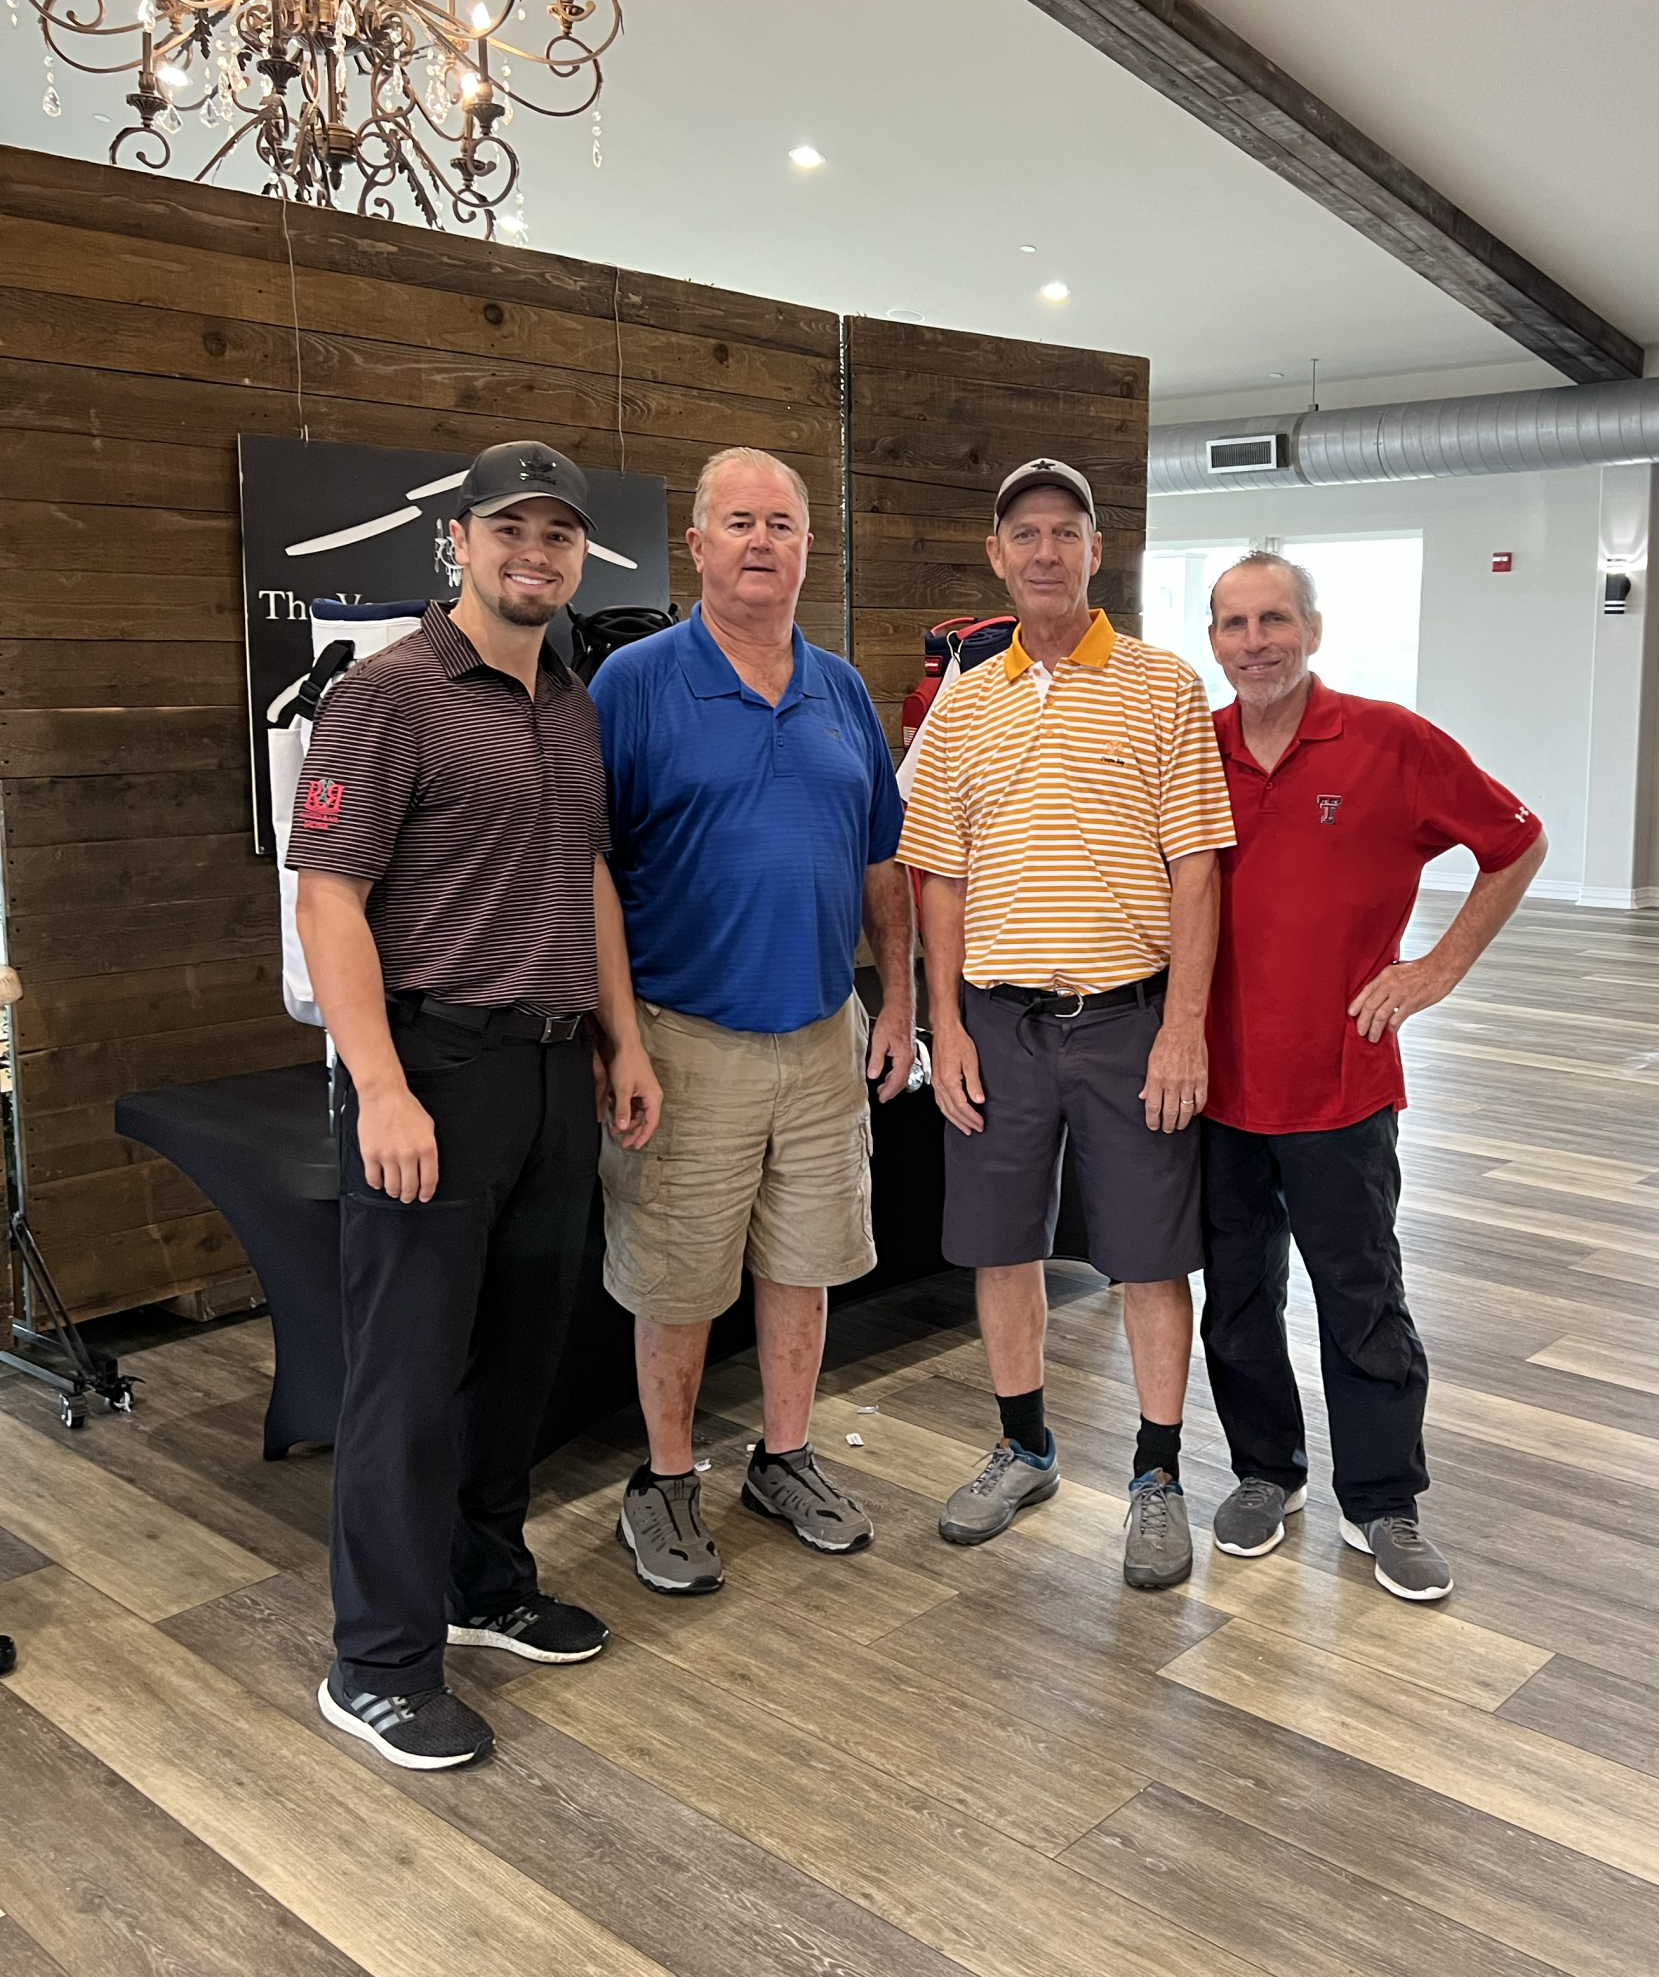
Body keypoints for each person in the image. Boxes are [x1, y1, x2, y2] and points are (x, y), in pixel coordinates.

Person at [291, 441, 661, 1770]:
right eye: (511, 530)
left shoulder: (570, 699)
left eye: (557, 535)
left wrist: (622, 1040)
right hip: (434, 1073)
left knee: (518, 1360)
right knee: (407, 1377)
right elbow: (327, 898)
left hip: (553, 1078)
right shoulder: (386, 697)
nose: (534, 554)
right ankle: (377, 1663)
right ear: (458, 540)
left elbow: (590, 877)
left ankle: (484, 1584)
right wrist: (380, 1084)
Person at [900, 457, 1236, 1591]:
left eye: (1065, 532)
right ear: (996, 555)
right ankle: (1025, 1447)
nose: (1045, 551)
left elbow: (1197, 869)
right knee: (1001, 1244)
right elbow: (939, 877)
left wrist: (1183, 1027)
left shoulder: (1163, 685)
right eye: (1025, 534)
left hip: (1128, 1019)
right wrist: (946, 1025)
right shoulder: (963, 704)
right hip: (997, 1024)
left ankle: (1158, 1474)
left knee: (1150, 1256)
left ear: (1097, 552)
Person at [593, 447, 914, 1591]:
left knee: (806, 1259)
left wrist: (898, 999)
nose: (762, 541)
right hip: (685, 1038)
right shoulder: (633, 683)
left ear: (808, 547)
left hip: (823, 1032)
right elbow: (589, 871)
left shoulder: (841, 690)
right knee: (676, 1275)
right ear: (697, 544)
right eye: (739, 521)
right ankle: (664, 1480)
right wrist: (621, 1039)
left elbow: (882, 859)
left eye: (782, 523)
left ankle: (785, 1457)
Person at [1201, 552, 1546, 1602]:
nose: (1255, 642)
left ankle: (1382, 1498)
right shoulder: (1195, 750)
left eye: (1274, 619)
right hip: (1214, 1086)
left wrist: (1435, 969)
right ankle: (1266, 1473)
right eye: (1233, 624)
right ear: (1212, 641)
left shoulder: (1390, 741)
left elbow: (1517, 842)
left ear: (1311, 629)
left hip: (1340, 1082)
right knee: (1238, 1297)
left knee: (1360, 1294)